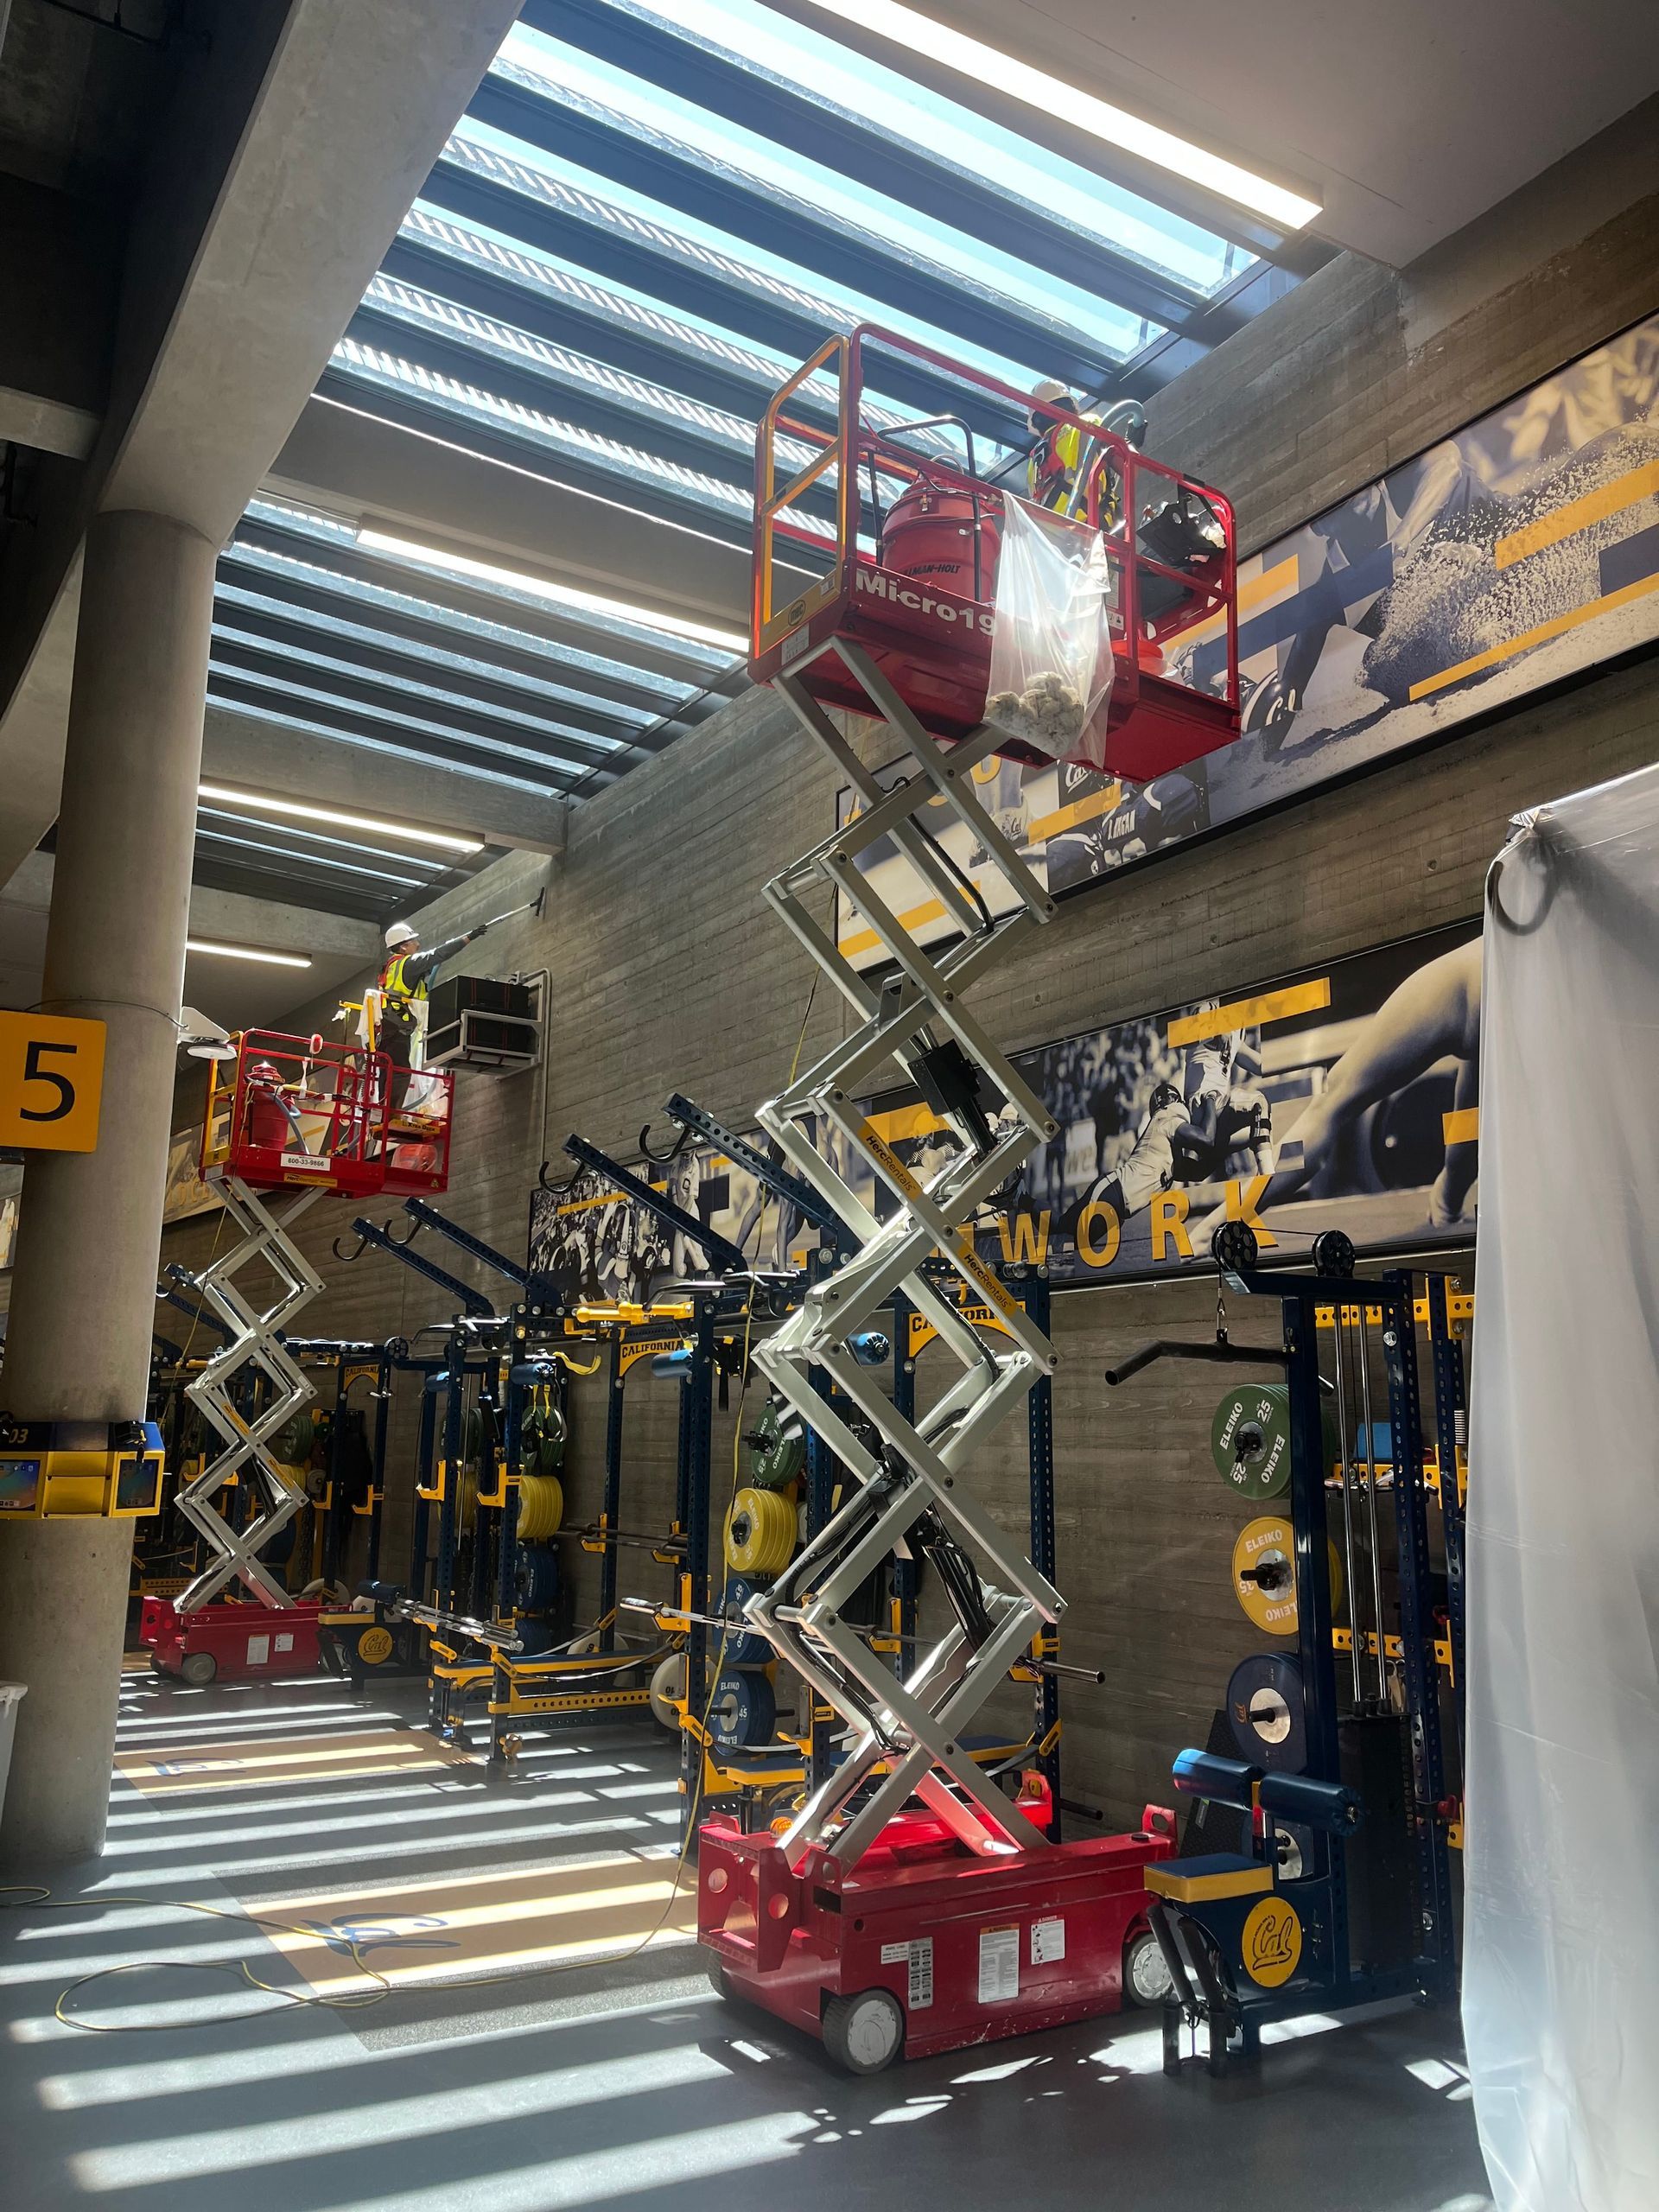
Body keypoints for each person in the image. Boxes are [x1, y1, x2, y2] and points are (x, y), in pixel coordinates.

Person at [373, 916, 491, 1111]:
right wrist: (468, 938)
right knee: (400, 1071)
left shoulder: (392, 966)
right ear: (403, 947)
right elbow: (436, 955)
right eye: (413, 942)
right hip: (398, 1024)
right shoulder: (408, 964)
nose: (418, 945)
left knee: (388, 1069)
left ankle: (381, 1110)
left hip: (387, 1024)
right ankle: (389, 1114)